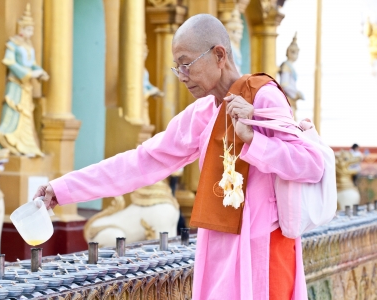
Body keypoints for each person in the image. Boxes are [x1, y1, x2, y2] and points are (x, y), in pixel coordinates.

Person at [34, 14, 323, 299]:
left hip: (263, 249)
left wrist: (253, 140)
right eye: (177, 67)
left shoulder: (263, 97)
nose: (182, 76)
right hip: (218, 246)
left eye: (186, 64)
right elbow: (141, 162)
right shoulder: (203, 113)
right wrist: (62, 189)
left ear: (219, 55)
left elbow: (310, 164)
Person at [0, 4, 49, 157]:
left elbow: (32, 63)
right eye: (28, 29)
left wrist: (39, 72)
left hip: (26, 86)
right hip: (16, 84)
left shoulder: (28, 46)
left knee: (26, 115)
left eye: (32, 30)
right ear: (21, 29)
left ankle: (26, 145)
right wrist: (28, 74)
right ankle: (9, 138)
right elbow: (10, 62)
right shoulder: (13, 44)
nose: (30, 33)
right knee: (14, 112)